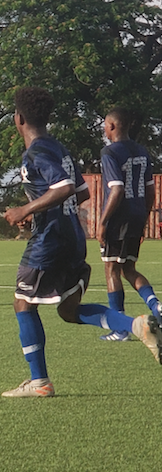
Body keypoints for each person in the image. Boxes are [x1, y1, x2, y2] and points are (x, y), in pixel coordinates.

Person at [1, 87, 162, 398]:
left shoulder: (36, 152)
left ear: (18, 119)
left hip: (49, 241)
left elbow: (62, 188)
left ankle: (39, 382)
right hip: (73, 238)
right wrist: (38, 209)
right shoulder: (58, 147)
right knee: (69, 310)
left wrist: (26, 208)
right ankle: (137, 326)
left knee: (22, 303)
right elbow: (82, 192)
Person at [96, 107, 161, 341]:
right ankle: (158, 308)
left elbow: (116, 189)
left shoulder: (110, 152)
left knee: (111, 268)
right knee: (128, 268)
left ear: (112, 126)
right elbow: (151, 190)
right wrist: (143, 217)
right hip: (135, 215)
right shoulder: (143, 151)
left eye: (105, 124)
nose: (104, 129)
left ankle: (120, 328)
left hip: (119, 217)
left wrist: (103, 222)